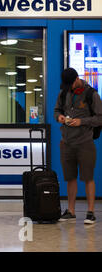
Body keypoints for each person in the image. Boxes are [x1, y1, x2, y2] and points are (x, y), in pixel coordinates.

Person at [54, 67, 102, 225]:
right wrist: (59, 117)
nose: (69, 88)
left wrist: (82, 121)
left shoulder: (91, 94)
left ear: (77, 79)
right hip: (67, 143)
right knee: (70, 178)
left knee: (88, 177)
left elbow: (99, 118)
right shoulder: (64, 92)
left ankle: (90, 213)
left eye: (71, 84)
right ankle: (71, 211)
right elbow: (56, 110)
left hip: (85, 143)